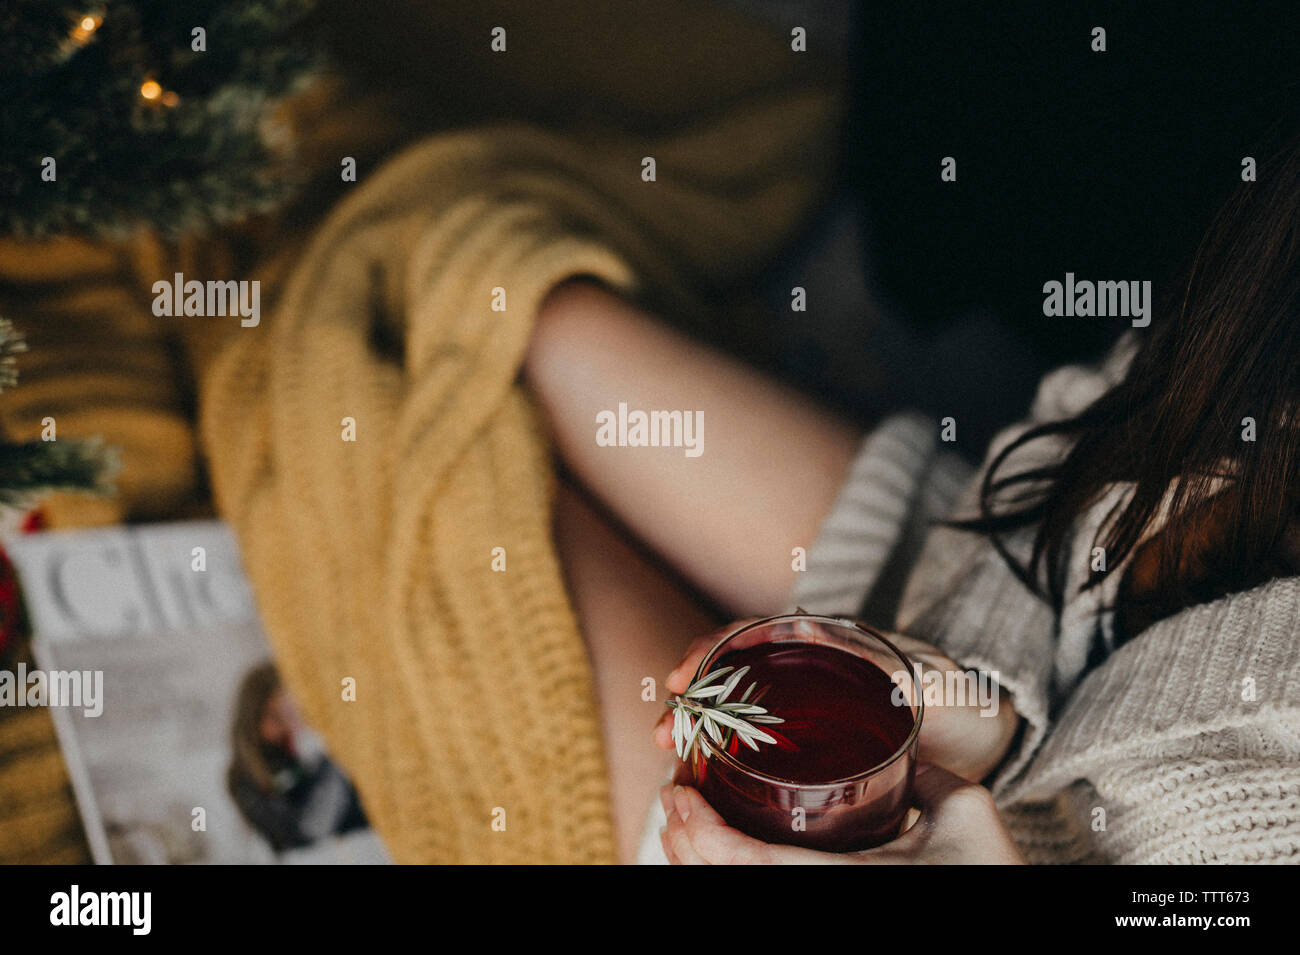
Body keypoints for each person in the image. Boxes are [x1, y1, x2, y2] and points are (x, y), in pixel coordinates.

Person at [521, 129, 1300, 864]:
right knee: (526, 313)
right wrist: (983, 697)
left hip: (873, 839)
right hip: (968, 586)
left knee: (509, 509)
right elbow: (1115, 406)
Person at [226, 663, 369, 854]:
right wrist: (328, 763)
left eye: (291, 712)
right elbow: (306, 831)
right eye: (276, 717)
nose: (287, 725)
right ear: (252, 716)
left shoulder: (298, 746)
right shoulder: (244, 778)